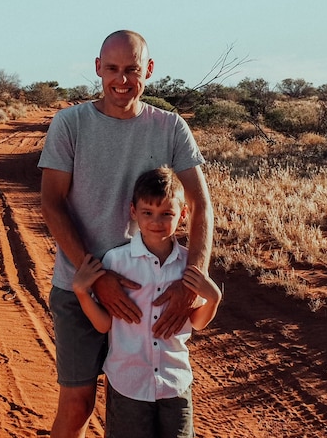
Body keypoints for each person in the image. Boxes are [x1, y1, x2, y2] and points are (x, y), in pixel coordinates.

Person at [39, 30, 214, 438]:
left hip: (149, 291)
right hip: (79, 286)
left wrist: (192, 281)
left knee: (151, 398)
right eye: (113, 69)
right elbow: (52, 202)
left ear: (148, 71)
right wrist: (98, 278)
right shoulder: (71, 123)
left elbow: (201, 205)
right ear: (98, 69)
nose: (122, 80)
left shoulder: (170, 127)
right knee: (78, 403)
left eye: (132, 70)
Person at [72, 167, 221, 438]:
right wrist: (82, 293)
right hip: (128, 383)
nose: (157, 221)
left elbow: (198, 322)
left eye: (167, 213)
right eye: (147, 213)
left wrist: (214, 298)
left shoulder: (188, 266)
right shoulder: (116, 262)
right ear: (133, 211)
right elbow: (104, 324)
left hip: (174, 383)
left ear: (183, 214)